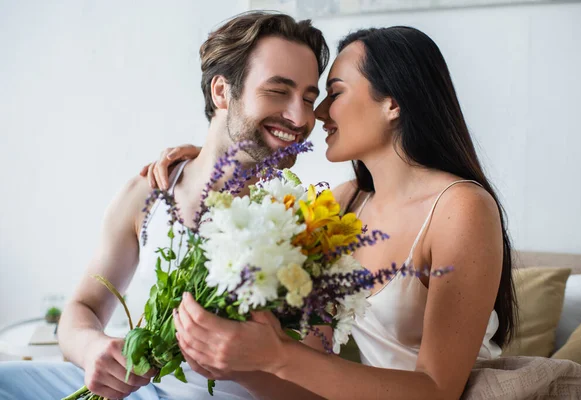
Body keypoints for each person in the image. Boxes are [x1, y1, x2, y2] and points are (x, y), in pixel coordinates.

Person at [143, 26, 518, 400]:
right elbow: (313, 383)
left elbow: (439, 391)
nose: (318, 112)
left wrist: (278, 354)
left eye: (334, 93)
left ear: (393, 103)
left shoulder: (461, 208)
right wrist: (204, 160)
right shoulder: (343, 206)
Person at [0, 11, 330, 400]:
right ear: (221, 92)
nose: (300, 116)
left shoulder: (304, 224)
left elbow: (315, 388)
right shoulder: (149, 192)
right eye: (278, 91)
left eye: (310, 98)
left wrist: (238, 362)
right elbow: (81, 309)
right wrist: (93, 349)